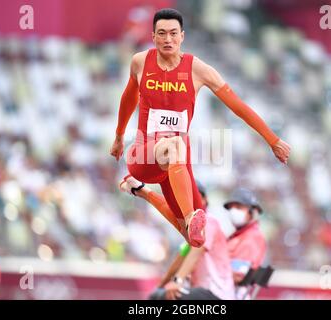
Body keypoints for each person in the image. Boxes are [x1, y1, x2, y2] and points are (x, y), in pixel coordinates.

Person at [110, 8, 291, 248]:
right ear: (153, 36)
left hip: (175, 162)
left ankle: (142, 192)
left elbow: (237, 106)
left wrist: (272, 140)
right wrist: (119, 136)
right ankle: (189, 216)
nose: (167, 39)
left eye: (173, 33)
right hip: (143, 154)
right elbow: (128, 98)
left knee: (197, 239)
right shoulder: (140, 62)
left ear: (182, 36)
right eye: (161, 34)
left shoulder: (199, 70)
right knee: (175, 146)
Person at [122, 178, 235, 300]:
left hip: (217, 294)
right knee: (157, 296)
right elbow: (180, 258)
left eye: (196, 197)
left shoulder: (209, 221)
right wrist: (160, 287)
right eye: (188, 198)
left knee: (168, 296)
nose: (192, 201)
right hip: (201, 291)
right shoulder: (189, 229)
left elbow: (197, 250)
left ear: (205, 200)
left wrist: (177, 280)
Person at [224, 188, 267, 298]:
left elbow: (239, 275)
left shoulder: (252, 238)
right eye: (231, 208)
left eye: (238, 207)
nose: (233, 211)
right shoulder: (237, 236)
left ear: (252, 212)